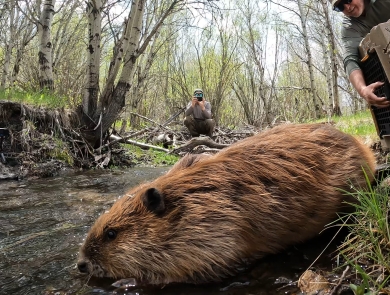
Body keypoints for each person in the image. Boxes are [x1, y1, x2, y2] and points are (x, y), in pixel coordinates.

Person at [330, 0, 390, 107]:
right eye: (340, 7)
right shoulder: (349, 27)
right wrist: (362, 90)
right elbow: (350, 59)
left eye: (347, 0)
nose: (347, 7)